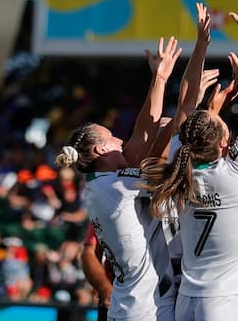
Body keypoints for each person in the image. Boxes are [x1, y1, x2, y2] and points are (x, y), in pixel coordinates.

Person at [141, 0, 238, 321]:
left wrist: (201, 44)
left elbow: (185, 106)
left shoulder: (178, 168)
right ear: (226, 141)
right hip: (227, 302)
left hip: (189, 299)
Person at [55, 34, 185, 321]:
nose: (121, 141)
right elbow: (150, 144)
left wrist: (160, 79)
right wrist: (183, 112)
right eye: (113, 138)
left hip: (129, 306)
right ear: (101, 149)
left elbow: (142, 135)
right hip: (141, 309)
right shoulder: (116, 186)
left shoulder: (101, 184)